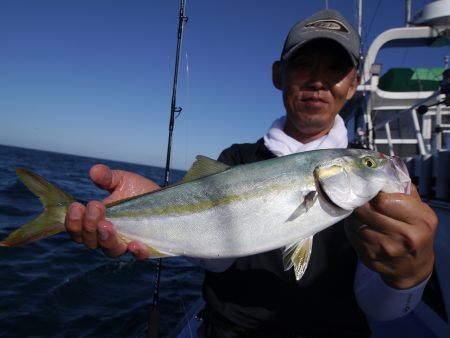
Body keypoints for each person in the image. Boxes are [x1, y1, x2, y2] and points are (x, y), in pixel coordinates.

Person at [65, 9, 437, 338]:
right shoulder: (236, 159)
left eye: (335, 69)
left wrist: (408, 278)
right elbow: (219, 255)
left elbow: (381, 308)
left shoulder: (374, 191)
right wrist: (157, 209)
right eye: (305, 64)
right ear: (279, 74)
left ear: (353, 84)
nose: (318, 81)